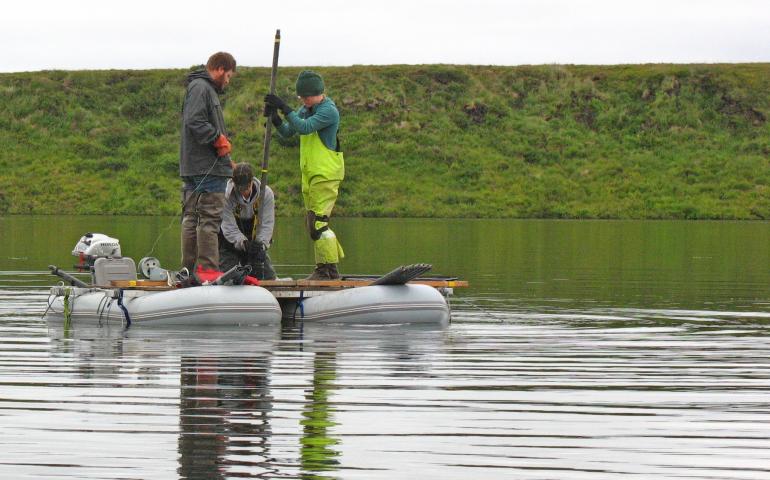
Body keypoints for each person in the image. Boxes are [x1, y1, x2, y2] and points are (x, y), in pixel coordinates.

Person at [264, 70, 344, 280]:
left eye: (306, 97)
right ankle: (325, 268)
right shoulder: (306, 108)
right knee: (311, 224)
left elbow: (305, 128)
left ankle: (329, 271)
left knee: (319, 224)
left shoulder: (329, 111)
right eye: (301, 98)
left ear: (318, 93)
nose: (303, 101)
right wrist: (275, 119)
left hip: (326, 173)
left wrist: (283, 107)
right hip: (310, 173)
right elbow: (290, 131)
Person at [179, 51, 237, 273]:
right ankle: (207, 272)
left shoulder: (198, 87)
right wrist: (217, 138)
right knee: (209, 221)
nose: (228, 81)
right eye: (229, 76)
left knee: (192, 219)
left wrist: (227, 160)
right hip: (206, 169)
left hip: (197, 165)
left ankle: (190, 271)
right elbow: (195, 121)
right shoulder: (203, 88)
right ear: (220, 69)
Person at [218, 163, 277, 280]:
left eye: (246, 188)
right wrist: (244, 243)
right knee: (228, 277)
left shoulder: (266, 194)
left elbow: (267, 224)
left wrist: (261, 246)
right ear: (234, 183)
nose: (243, 192)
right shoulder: (225, 196)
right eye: (240, 189)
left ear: (252, 181)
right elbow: (228, 227)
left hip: (256, 242)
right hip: (230, 242)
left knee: (268, 277)